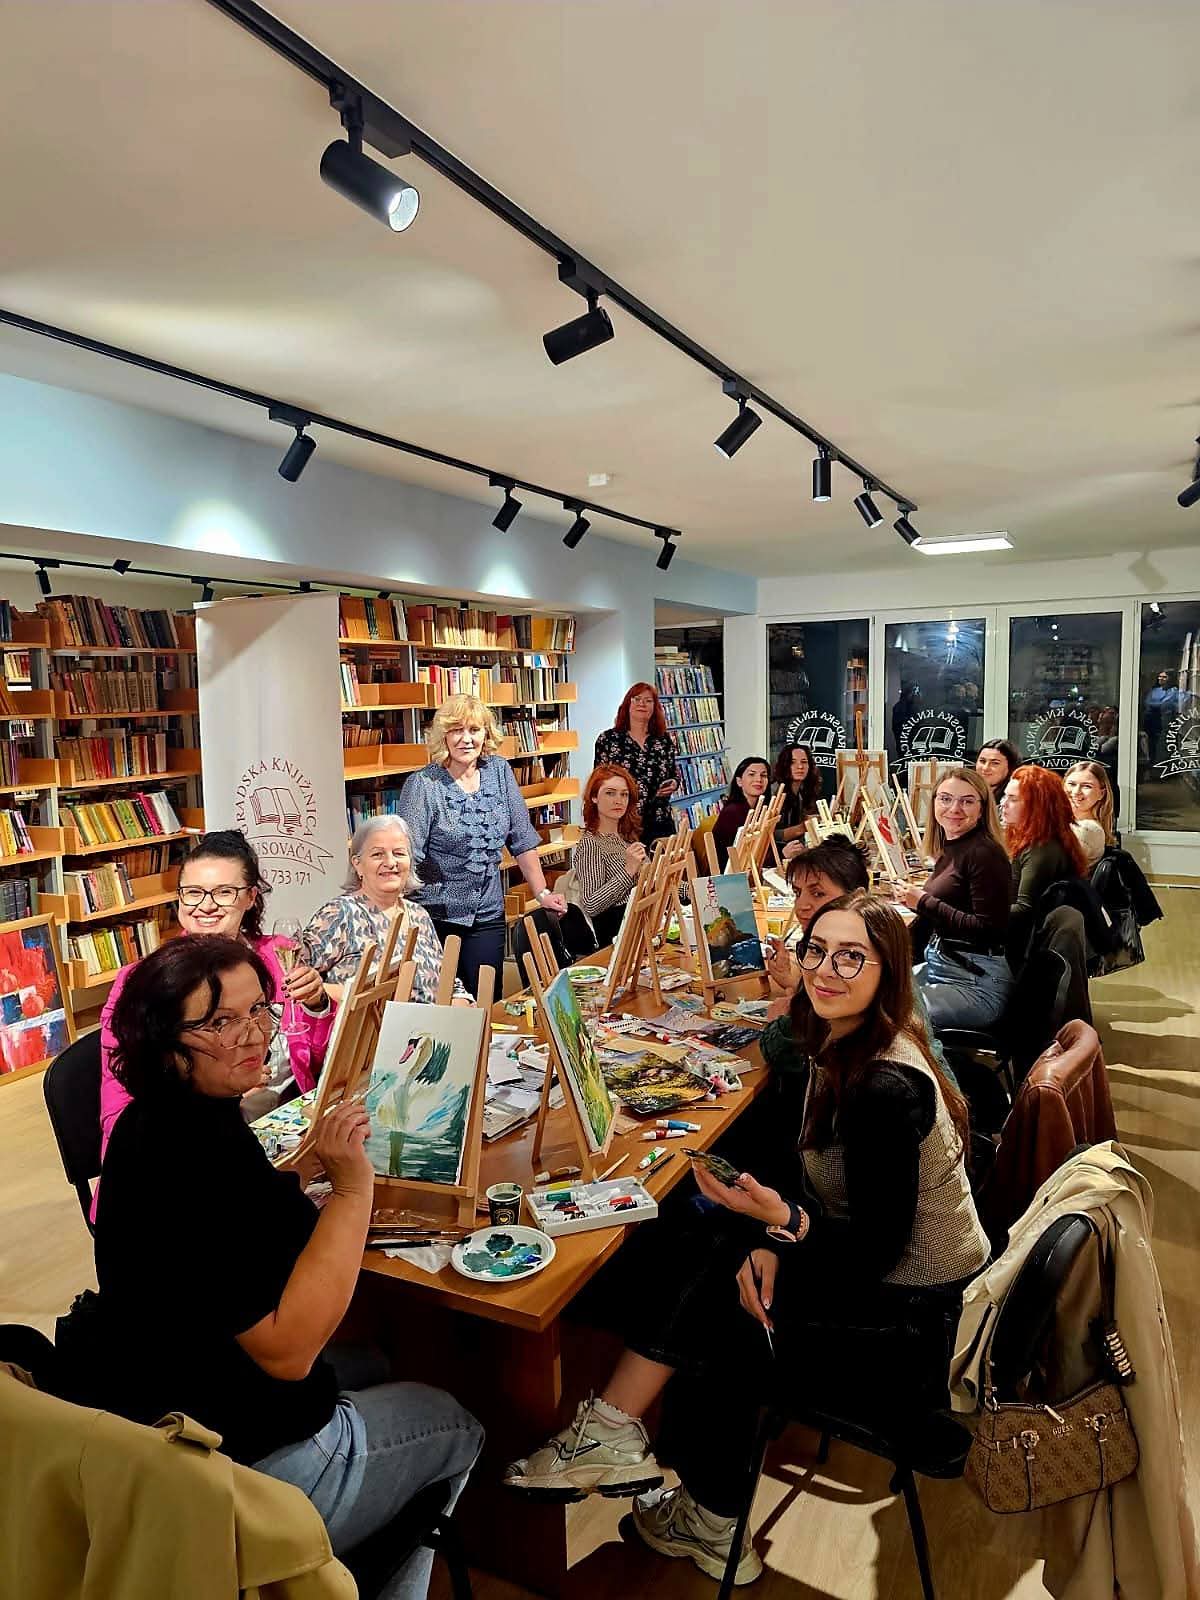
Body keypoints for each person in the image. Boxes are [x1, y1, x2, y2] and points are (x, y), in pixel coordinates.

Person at [504, 895, 988, 1585]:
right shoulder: (849, 1039)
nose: (825, 970)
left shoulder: (884, 1085)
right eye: (816, 950)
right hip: (888, 1279)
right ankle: (641, 1452)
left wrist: (783, 1224)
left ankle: (692, 1499)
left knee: (721, 1288)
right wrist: (774, 1231)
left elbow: (876, 1252)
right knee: (719, 1245)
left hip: (912, 1323)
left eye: (852, 957)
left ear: (889, 971)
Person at [83, 936, 482, 1600]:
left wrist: (302, 1170)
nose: (253, 1035)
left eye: (258, 1011)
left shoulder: (165, 1121)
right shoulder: (194, 1156)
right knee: (459, 1422)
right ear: (162, 1041)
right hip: (236, 1469)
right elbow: (289, 1351)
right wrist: (352, 1189)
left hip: (165, 1426)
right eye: (220, 1022)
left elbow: (237, 1224)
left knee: (377, 1362)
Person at [98, 830, 334, 1168]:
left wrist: (317, 1005)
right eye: (193, 892)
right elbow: (119, 1103)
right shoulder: (143, 981)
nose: (206, 905)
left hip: (286, 1130)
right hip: (186, 1153)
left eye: (224, 892)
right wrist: (224, 1090)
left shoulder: (278, 955)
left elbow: (316, 1064)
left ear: (250, 897)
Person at [398, 694, 566, 998]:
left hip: (487, 913)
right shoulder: (423, 785)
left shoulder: (499, 771)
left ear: (486, 734)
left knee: (487, 1000)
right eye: (456, 730)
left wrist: (542, 892)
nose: (466, 739)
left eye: (474, 730)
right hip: (435, 917)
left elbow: (521, 838)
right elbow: (407, 855)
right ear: (443, 736)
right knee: (445, 1004)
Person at [895, 768, 1012, 1032]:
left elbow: (989, 929)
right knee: (873, 993)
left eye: (967, 801)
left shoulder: (984, 853)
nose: (954, 808)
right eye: (946, 799)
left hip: (975, 983)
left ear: (982, 809)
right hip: (946, 966)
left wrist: (923, 902)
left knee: (887, 1016)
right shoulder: (953, 845)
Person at [305, 816, 470, 1002]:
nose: (390, 862)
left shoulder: (419, 914)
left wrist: (461, 1003)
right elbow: (301, 981)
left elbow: (448, 981)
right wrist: (354, 997)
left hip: (433, 1020)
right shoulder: (340, 913)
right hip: (370, 1021)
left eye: (399, 853)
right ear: (357, 864)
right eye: (377, 854)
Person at [1002, 764, 1088, 965]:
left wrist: (976, 912)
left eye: (1013, 799)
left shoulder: (1041, 849)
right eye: (1005, 796)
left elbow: (1024, 909)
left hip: (1018, 950)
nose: (1003, 804)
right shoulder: (1039, 839)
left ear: (1036, 806)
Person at [569, 765, 647, 947]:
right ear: (594, 797)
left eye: (624, 794)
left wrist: (694, 888)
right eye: (610, 793)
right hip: (617, 939)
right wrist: (628, 871)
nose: (618, 800)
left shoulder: (626, 837)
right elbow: (591, 904)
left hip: (640, 929)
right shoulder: (591, 844)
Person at [593, 683, 679, 845]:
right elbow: (598, 782)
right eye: (637, 699)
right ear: (627, 704)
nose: (642, 704)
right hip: (622, 820)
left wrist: (674, 783)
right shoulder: (608, 740)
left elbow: (673, 774)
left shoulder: (663, 740)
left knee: (663, 860)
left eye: (648, 701)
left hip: (659, 819)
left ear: (655, 708)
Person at [712, 756, 771, 870]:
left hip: (751, 868)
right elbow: (742, 854)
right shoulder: (732, 812)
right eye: (752, 774)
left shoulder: (761, 808)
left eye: (763, 775)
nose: (759, 779)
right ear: (739, 781)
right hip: (730, 873)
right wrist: (783, 853)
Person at [771, 743, 821, 860]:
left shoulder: (802, 792)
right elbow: (769, 834)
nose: (800, 767)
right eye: (792, 762)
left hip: (794, 854)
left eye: (804, 762)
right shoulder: (775, 792)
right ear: (784, 765)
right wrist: (803, 827)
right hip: (775, 856)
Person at [1064, 760, 1116, 867]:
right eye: (1071, 784)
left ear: (1101, 794)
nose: (1076, 792)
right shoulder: (1065, 823)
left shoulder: (1088, 829)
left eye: (1086, 786)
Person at [1143, 670, 1177, 771]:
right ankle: (1151, 765)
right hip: (1150, 721)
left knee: (1164, 744)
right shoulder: (1154, 690)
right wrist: (1157, 704)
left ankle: (1165, 768)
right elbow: (1147, 702)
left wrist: (1154, 705)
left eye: (1164, 677)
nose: (1160, 679)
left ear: (1170, 679)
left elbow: (1165, 705)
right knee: (1150, 744)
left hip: (1164, 721)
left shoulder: (1173, 691)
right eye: (1159, 676)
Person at [975, 738, 1021, 809]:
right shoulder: (966, 792)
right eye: (982, 761)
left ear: (1010, 767)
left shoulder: (1014, 803)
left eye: (995, 763)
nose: (985, 768)